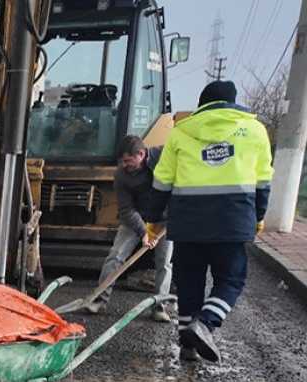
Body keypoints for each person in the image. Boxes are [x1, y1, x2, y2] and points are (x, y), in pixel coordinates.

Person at [144, 80, 273, 362]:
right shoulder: (254, 130)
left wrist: (153, 220)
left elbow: (162, 181)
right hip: (232, 221)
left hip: (187, 223)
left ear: (202, 104)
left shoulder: (181, 131)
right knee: (231, 279)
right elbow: (263, 180)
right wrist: (259, 215)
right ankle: (205, 323)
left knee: (188, 282)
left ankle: (187, 344)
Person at [84, 135, 172, 322]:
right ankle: (99, 299)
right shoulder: (121, 175)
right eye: (122, 161)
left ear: (141, 154)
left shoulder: (164, 156)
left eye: (128, 161)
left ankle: (159, 306)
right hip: (136, 218)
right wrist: (144, 232)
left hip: (164, 218)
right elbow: (126, 209)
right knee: (115, 256)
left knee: (164, 262)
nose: (124, 165)